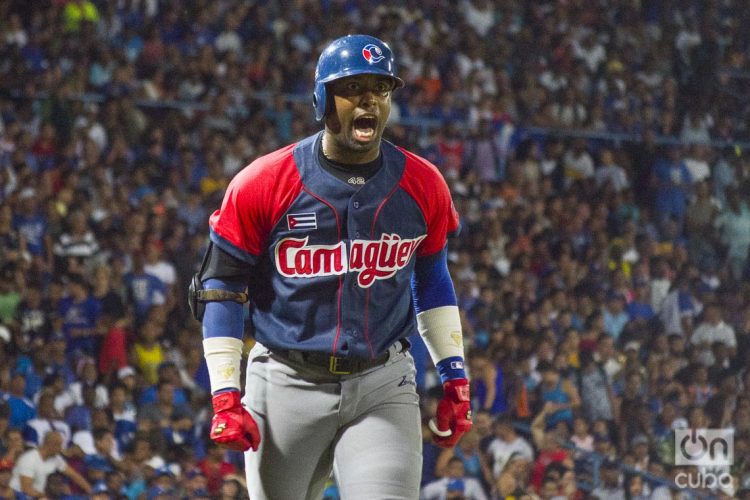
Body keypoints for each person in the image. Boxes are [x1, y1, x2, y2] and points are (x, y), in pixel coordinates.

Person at [190, 34, 472, 499]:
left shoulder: (423, 183)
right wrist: (225, 392)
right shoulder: (264, 181)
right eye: (352, 87)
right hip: (284, 379)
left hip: (382, 378)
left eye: (379, 88)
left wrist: (455, 377)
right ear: (323, 99)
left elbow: (432, 280)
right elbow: (222, 284)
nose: (368, 99)